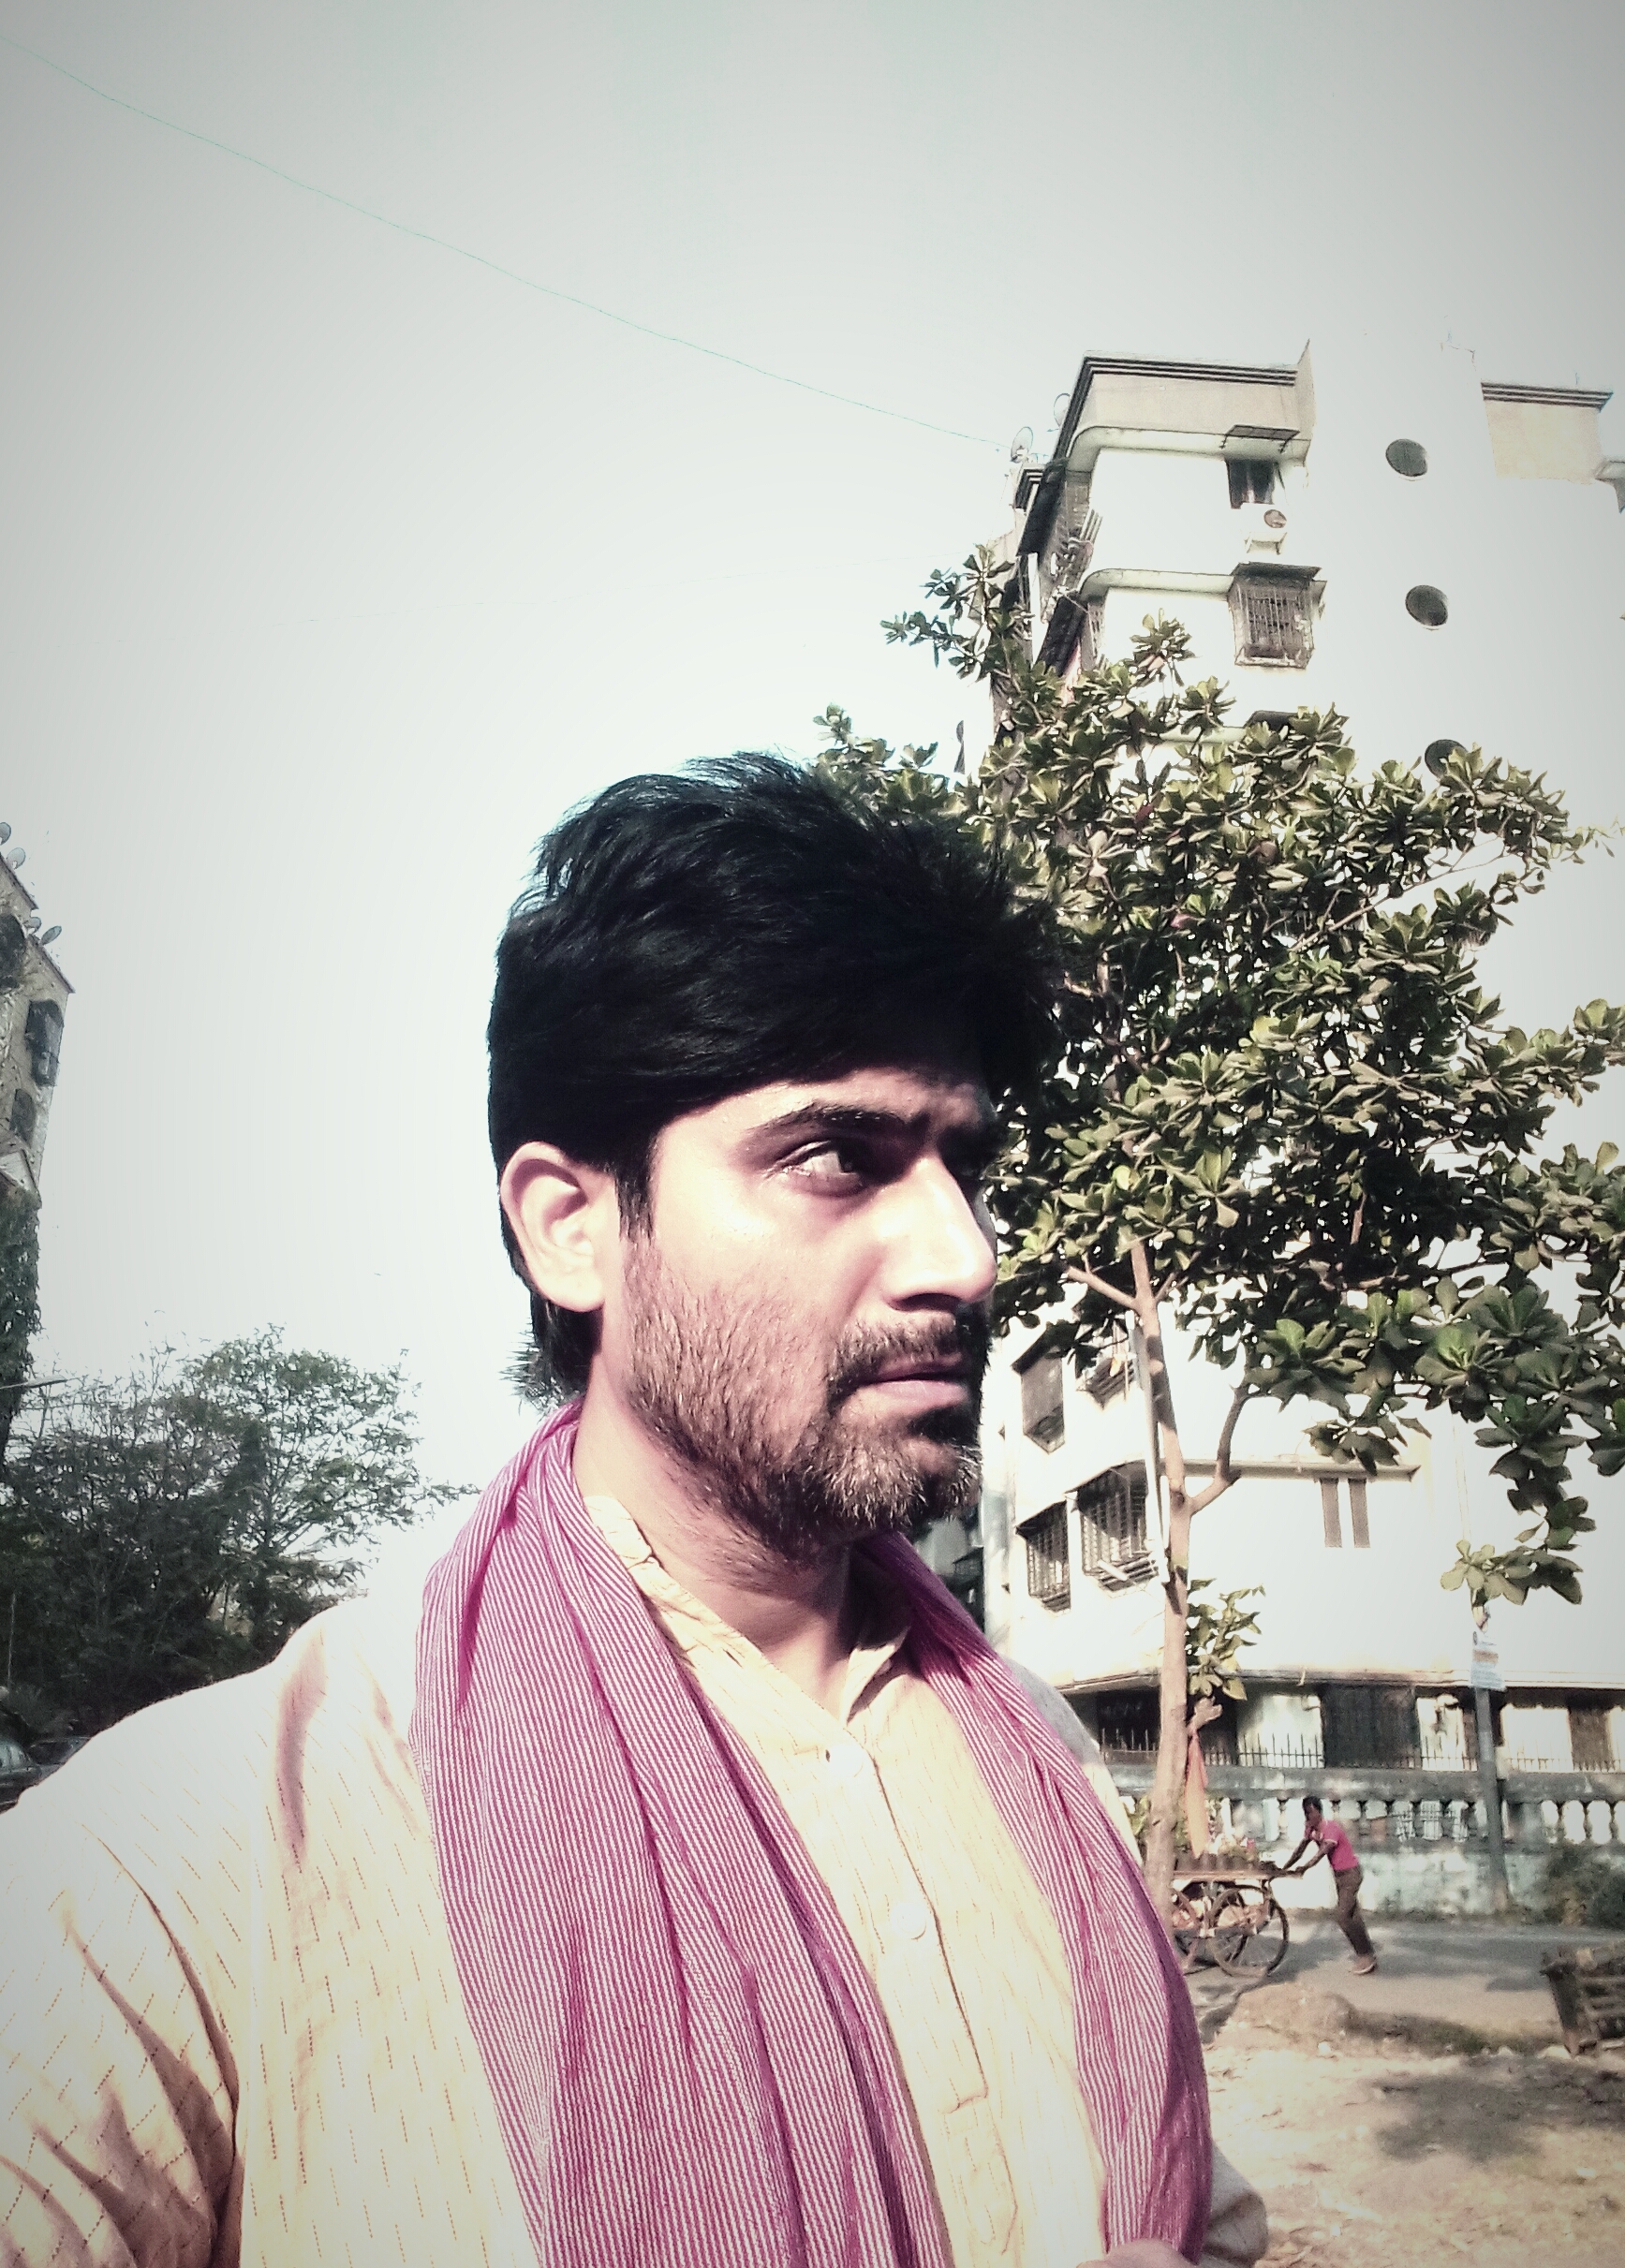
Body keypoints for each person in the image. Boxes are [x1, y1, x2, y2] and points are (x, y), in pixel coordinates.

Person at [1, 757, 1265, 2268]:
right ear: (572, 1226)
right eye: (836, 1157)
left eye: (965, 1164)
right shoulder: (187, 1858)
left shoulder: (1035, 1750)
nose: (965, 1255)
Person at [1278, 1796, 1378, 1973]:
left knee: (1342, 1916)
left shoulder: (1331, 1829)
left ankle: (1364, 1955)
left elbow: (1322, 1853)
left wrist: (1305, 1868)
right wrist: (1284, 1867)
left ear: (1319, 1812)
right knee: (1353, 1916)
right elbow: (1300, 1850)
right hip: (1339, 1876)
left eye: (1310, 1813)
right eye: (1305, 1813)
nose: (1308, 1817)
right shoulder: (1311, 1829)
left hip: (1351, 1875)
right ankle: (1368, 1954)